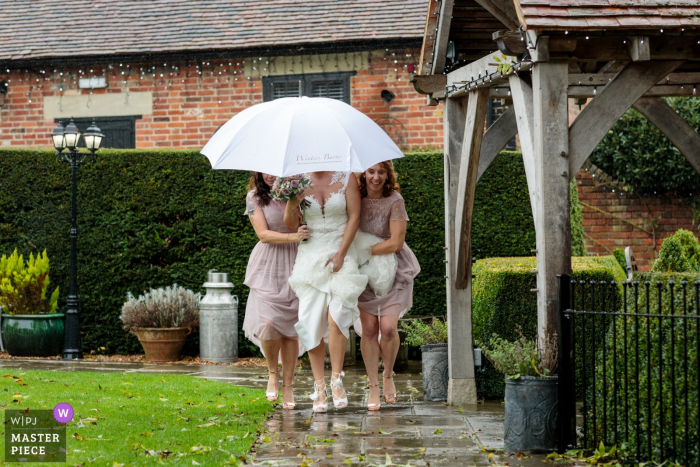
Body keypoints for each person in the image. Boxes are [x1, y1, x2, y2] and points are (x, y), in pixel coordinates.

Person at [284, 171, 367, 412]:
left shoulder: (347, 178)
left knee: (338, 316)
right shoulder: (297, 181)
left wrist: (341, 254)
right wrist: (292, 202)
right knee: (309, 323)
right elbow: (292, 225)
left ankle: (337, 380)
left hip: (340, 253)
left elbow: (354, 217)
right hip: (310, 258)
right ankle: (319, 387)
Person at [242, 172, 310, 410]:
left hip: (297, 262)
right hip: (268, 264)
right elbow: (262, 235)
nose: (270, 175)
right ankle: (273, 373)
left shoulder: (299, 192)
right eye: (264, 169)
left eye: (275, 170)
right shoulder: (255, 197)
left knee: (291, 327)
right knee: (268, 323)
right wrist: (294, 236)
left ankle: (288, 385)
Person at [355, 161, 420, 411]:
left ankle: (388, 375)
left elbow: (395, 242)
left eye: (381, 172)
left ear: (387, 175)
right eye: (371, 171)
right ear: (364, 174)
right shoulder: (356, 198)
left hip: (394, 268)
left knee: (389, 329)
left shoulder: (395, 200)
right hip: (364, 272)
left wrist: (365, 251)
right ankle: (373, 386)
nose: (376, 177)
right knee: (369, 329)